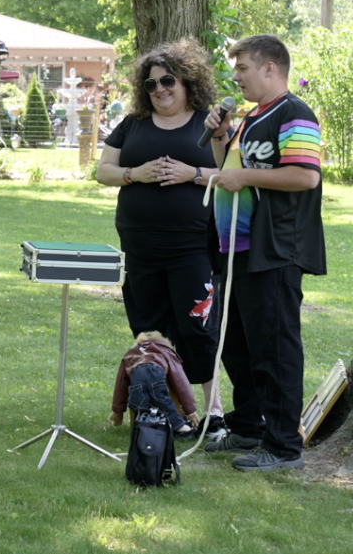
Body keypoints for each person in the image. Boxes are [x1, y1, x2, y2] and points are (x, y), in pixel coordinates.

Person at [203, 34, 326, 472]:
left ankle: (281, 446)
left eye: (243, 68)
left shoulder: (295, 113)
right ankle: (248, 426)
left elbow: (304, 177)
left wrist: (248, 179)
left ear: (270, 68)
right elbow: (230, 168)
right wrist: (220, 135)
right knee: (238, 345)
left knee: (274, 347)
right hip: (234, 251)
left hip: (273, 250)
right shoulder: (252, 116)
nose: (235, 77)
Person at [96, 38, 226, 432]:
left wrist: (192, 174)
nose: (160, 90)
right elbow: (103, 171)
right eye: (151, 84)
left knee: (197, 327)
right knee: (150, 328)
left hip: (191, 246)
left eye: (167, 81)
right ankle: (163, 409)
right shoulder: (133, 124)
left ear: (187, 81)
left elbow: (230, 174)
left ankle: (214, 412)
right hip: (140, 246)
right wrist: (137, 174)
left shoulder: (209, 123)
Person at [109, 331, 200, 438]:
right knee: (163, 402)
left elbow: (121, 385)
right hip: (155, 372)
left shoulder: (130, 353)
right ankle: (180, 427)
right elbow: (180, 381)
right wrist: (190, 410)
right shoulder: (166, 351)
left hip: (136, 375)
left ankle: (143, 429)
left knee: (139, 405)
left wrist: (118, 411)